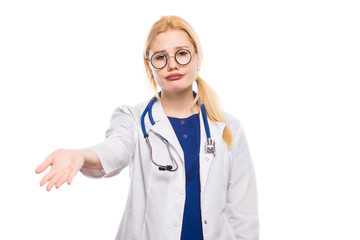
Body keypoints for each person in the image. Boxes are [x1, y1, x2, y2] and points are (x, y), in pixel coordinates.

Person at [35, 15, 259, 240]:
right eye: (161, 57)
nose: (172, 64)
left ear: (198, 59)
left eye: (182, 53)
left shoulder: (229, 128)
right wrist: (81, 155)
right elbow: (116, 148)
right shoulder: (133, 118)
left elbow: (243, 213)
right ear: (148, 66)